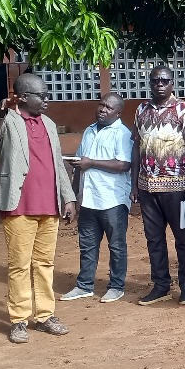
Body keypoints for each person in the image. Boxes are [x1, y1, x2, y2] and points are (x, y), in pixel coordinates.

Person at [0, 73, 77, 344]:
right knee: (19, 265)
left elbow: (58, 164)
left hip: (50, 205)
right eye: (41, 96)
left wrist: (68, 197)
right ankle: (19, 319)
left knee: (45, 263)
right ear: (23, 97)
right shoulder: (7, 121)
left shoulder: (48, 123)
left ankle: (45, 315)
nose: (46, 101)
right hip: (19, 206)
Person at [131, 65, 185, 306]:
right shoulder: (141, 109)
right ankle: (161, 285)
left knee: (183, 238)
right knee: (154, 239)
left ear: (172, 83)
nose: (159, 84)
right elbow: (136, 147)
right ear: (150, 83)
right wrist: (134, 185)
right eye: (155, 80)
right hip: (147, 188)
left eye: (164, 80)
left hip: (179, 188)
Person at [60, 93, 134, 303]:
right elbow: (79, 164)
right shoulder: (90, 131)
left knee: (116, 246)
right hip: (89, 198)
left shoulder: (122, 133)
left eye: (109, 108)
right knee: (87, 245)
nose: (103, 109)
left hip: (112, 200)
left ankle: (116, 286)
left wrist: (91, 163)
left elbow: (124, 165)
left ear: (118, 113)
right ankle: (84, 285)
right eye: (101, 105)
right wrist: (72, 198)